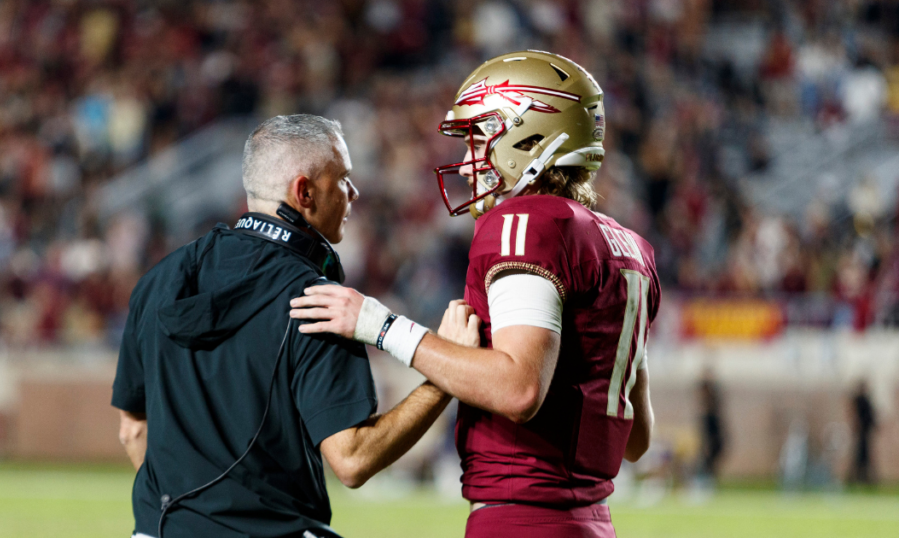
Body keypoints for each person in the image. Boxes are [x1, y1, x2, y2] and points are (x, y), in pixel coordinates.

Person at [291, 51, 660, 538]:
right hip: (592, 522)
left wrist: (381, 325)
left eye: (478, 140)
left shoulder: (525, 223)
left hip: (523, 521)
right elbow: (635, 436)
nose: (467, 164)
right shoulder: (631, 247)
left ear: (528, 137)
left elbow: (518, 389)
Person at [111, 114, 477, 538]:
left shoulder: (158, 279)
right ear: (304, 192)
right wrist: (443, 380)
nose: (354, 192)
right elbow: (353, 459)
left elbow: (133, 430)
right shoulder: (319, 301)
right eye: (342, 179)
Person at [849, 379, 876, 485]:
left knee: (864, 455)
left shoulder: (866, 400)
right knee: (860, 455)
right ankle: (857, 478)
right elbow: (856, 415)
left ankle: (863, 478)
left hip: (866, 432)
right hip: (861, 432)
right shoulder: (859, 400)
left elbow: (870, 416)